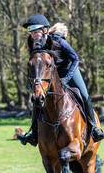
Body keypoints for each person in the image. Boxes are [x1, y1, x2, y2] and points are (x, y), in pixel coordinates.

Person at [18, 14, 104, 146]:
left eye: (36, 32)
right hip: (50, 75)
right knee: (37, 99)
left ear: (45, 30)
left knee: (85, 95)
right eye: (31, 32)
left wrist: (67, 78)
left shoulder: (59, 41)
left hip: (68, 70)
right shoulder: (32, 43)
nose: (33, 35)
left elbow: (75, 59)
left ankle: (94, 129)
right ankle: (34, 133)